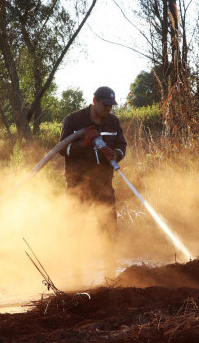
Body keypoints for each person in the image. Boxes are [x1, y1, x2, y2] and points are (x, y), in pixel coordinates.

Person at [59, 86, 127, 276]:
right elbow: (63, 149)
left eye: (111, 105)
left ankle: (110, 275)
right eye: (105, 105)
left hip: (104, 185)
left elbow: (122, 145)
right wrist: (84, 143)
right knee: (76, 230)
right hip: (77, 186)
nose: (108, 109)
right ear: (95, 101)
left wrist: (116, 154)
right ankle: (77, 275)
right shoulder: (73, 121)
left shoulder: (113, 122)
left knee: (109, 230)